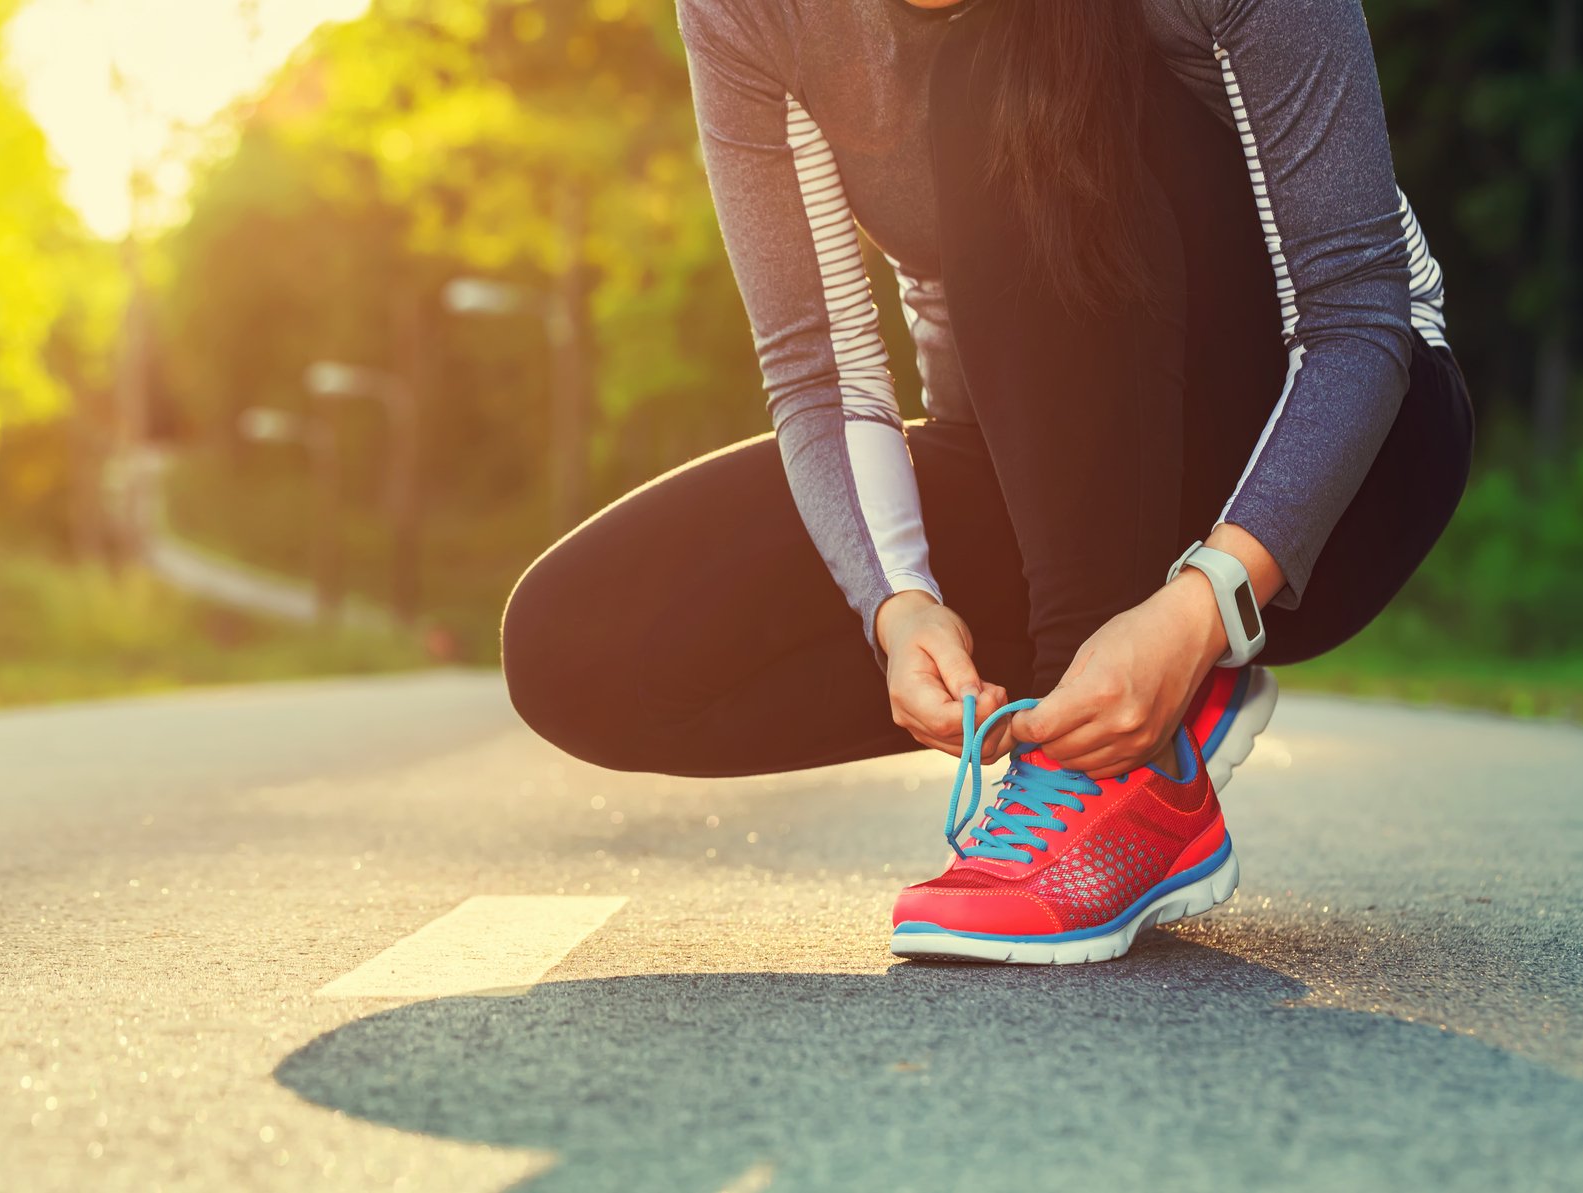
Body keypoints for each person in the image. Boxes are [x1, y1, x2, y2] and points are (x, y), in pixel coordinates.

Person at [498, 0, 1471, 963]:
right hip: (1049, 472)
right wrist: (898, 606)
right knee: (577, 645)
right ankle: (1123, 690)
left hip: (1336, 475)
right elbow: (820, 370)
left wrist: (1204, 603)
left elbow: (1357, 314)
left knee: (998, 64)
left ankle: (1118, 772)